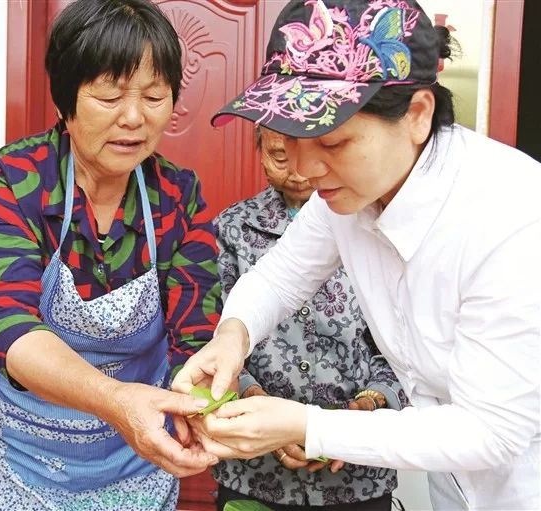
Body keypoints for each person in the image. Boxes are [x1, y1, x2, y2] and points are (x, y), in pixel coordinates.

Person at [173, 0, 541, 509]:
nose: (304, 167)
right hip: (449, 477)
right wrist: (232, 336)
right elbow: (282, 276)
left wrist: (310, 426)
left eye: (333, 141)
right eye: (293, 138)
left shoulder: (511, 216)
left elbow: (494, 431)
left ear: (416, 114)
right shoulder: (354, 192)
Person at [0, 0, 221, 509]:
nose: (134, 118)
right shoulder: (12, 181)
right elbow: (5, 324)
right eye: (109, 96)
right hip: (21, 461)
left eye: (154, 96)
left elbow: (195, 332)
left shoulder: (177, 195)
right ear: (66, 100)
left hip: (140, 455)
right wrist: (115, 402)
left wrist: (212, 403)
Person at [212, 126, 406, 511]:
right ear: (260, 153)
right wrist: (255, 401)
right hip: (254, 469)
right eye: (281, 157)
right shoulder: (232, 227)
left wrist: (364, 409)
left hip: (359, 474)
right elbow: (215, 331)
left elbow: (401, 341)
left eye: (313, 150)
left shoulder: (373, 220)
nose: (299, 170)